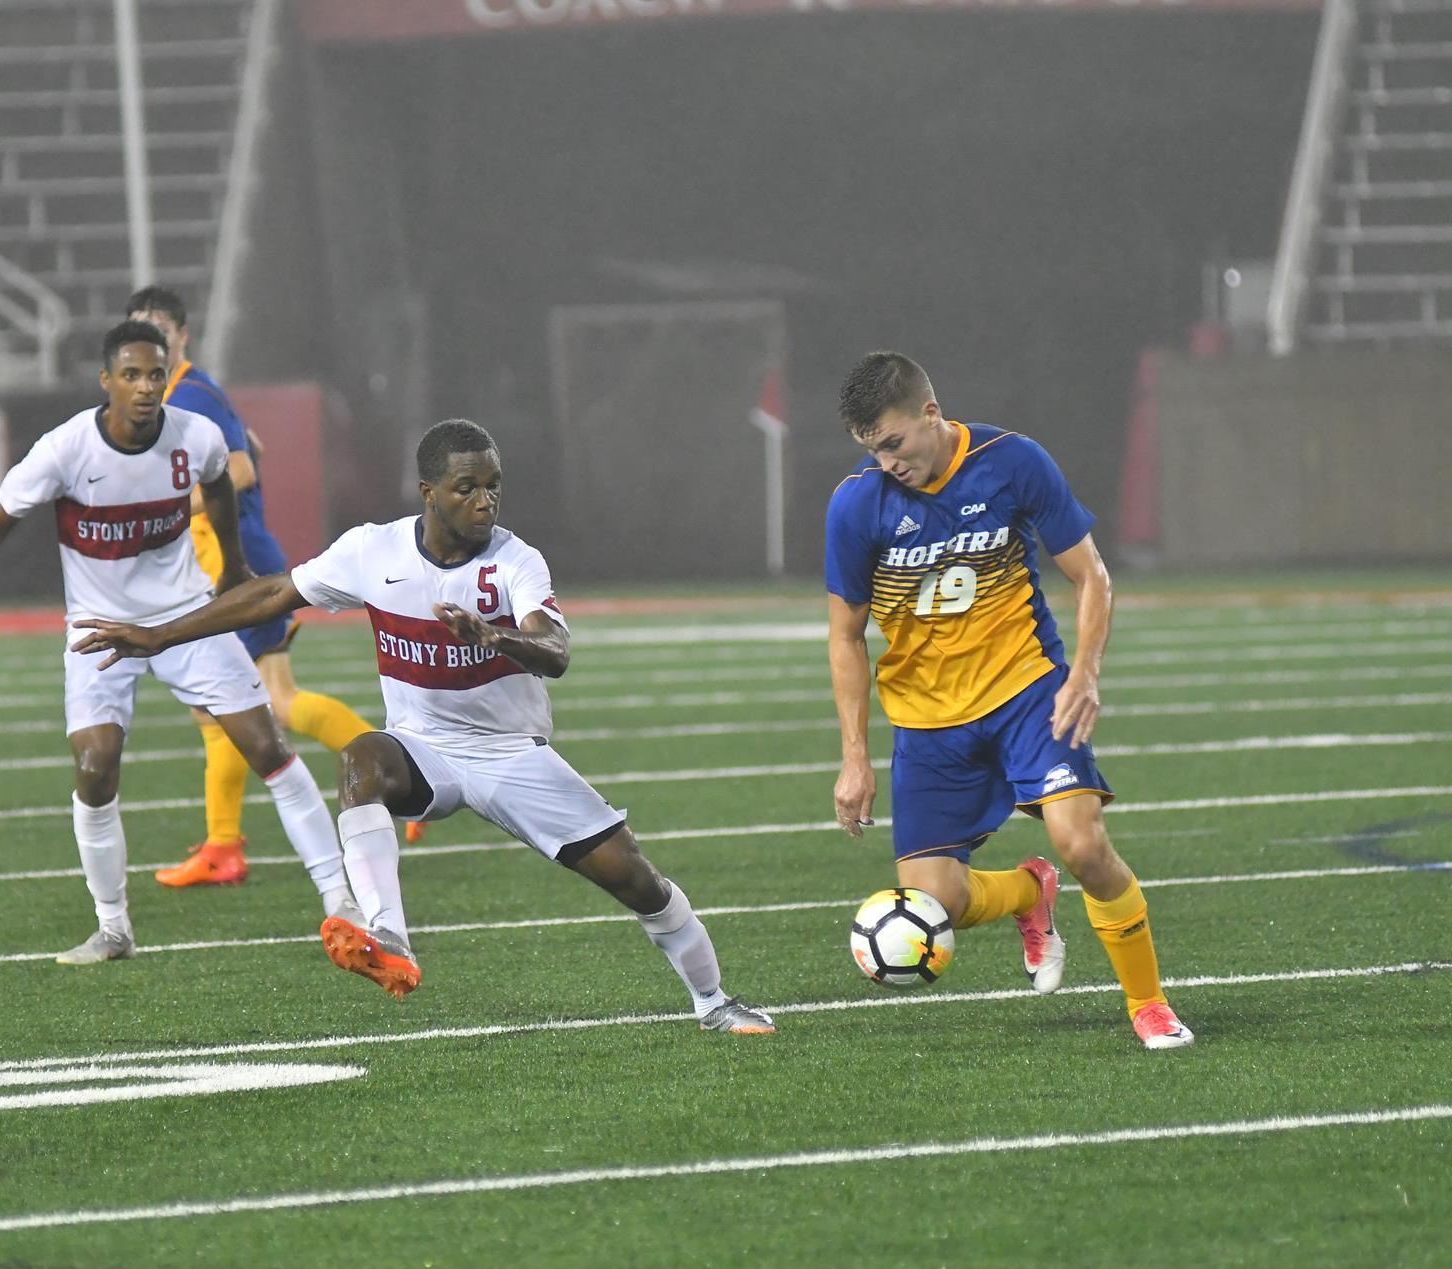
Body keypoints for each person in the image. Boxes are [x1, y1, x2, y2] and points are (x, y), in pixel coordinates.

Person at [70, 418, 774, 1034]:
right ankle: (390, 938)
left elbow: (556, 650)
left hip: (511, 755)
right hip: (424, 749)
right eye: (467, 487)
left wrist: (493, 635)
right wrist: (158, 635)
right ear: (428, 493)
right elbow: (275, 592)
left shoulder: (515, 561)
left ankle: (713, 1001)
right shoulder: (373, 551)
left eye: (493, 486)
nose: (485, 500)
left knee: (636, 879)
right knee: (361, 759)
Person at [0, 320, 357, 963]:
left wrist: (233, 565)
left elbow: (219, 481)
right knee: (96, 767)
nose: (146, 387)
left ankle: (341, 902)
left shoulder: (196, 435)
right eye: (131, 375)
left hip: (187, 616)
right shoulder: (64, 450)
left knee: (268, 747)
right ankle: (113, 927)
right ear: (107, 382)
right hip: (99, 628)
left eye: (155, 374)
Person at [823, 351, 1193, 1050]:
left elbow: (1092, 577)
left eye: (895, 443)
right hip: (928, 722)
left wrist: (1084, 673)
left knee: (1083, 844)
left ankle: (1148, 1003)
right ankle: (1029, 892)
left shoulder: (1012, 461)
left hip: (1028, 692)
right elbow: (845, 636)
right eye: (874, 452)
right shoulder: (855, 504)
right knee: (938, 902)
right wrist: (854, 759)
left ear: (931, 413)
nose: (888, 464)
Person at [123, 286, 422, 893]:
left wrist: (167, 508)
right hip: (219, 567)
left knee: (262, 703)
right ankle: (225, 844)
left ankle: (400, 783)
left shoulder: (192, 393)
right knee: (226, 705)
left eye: (159, 330)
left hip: (236, 568)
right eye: (139, 331)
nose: (150, 343)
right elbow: (249, 445)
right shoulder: (182, 396)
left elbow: (239, 469)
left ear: (181, 336)